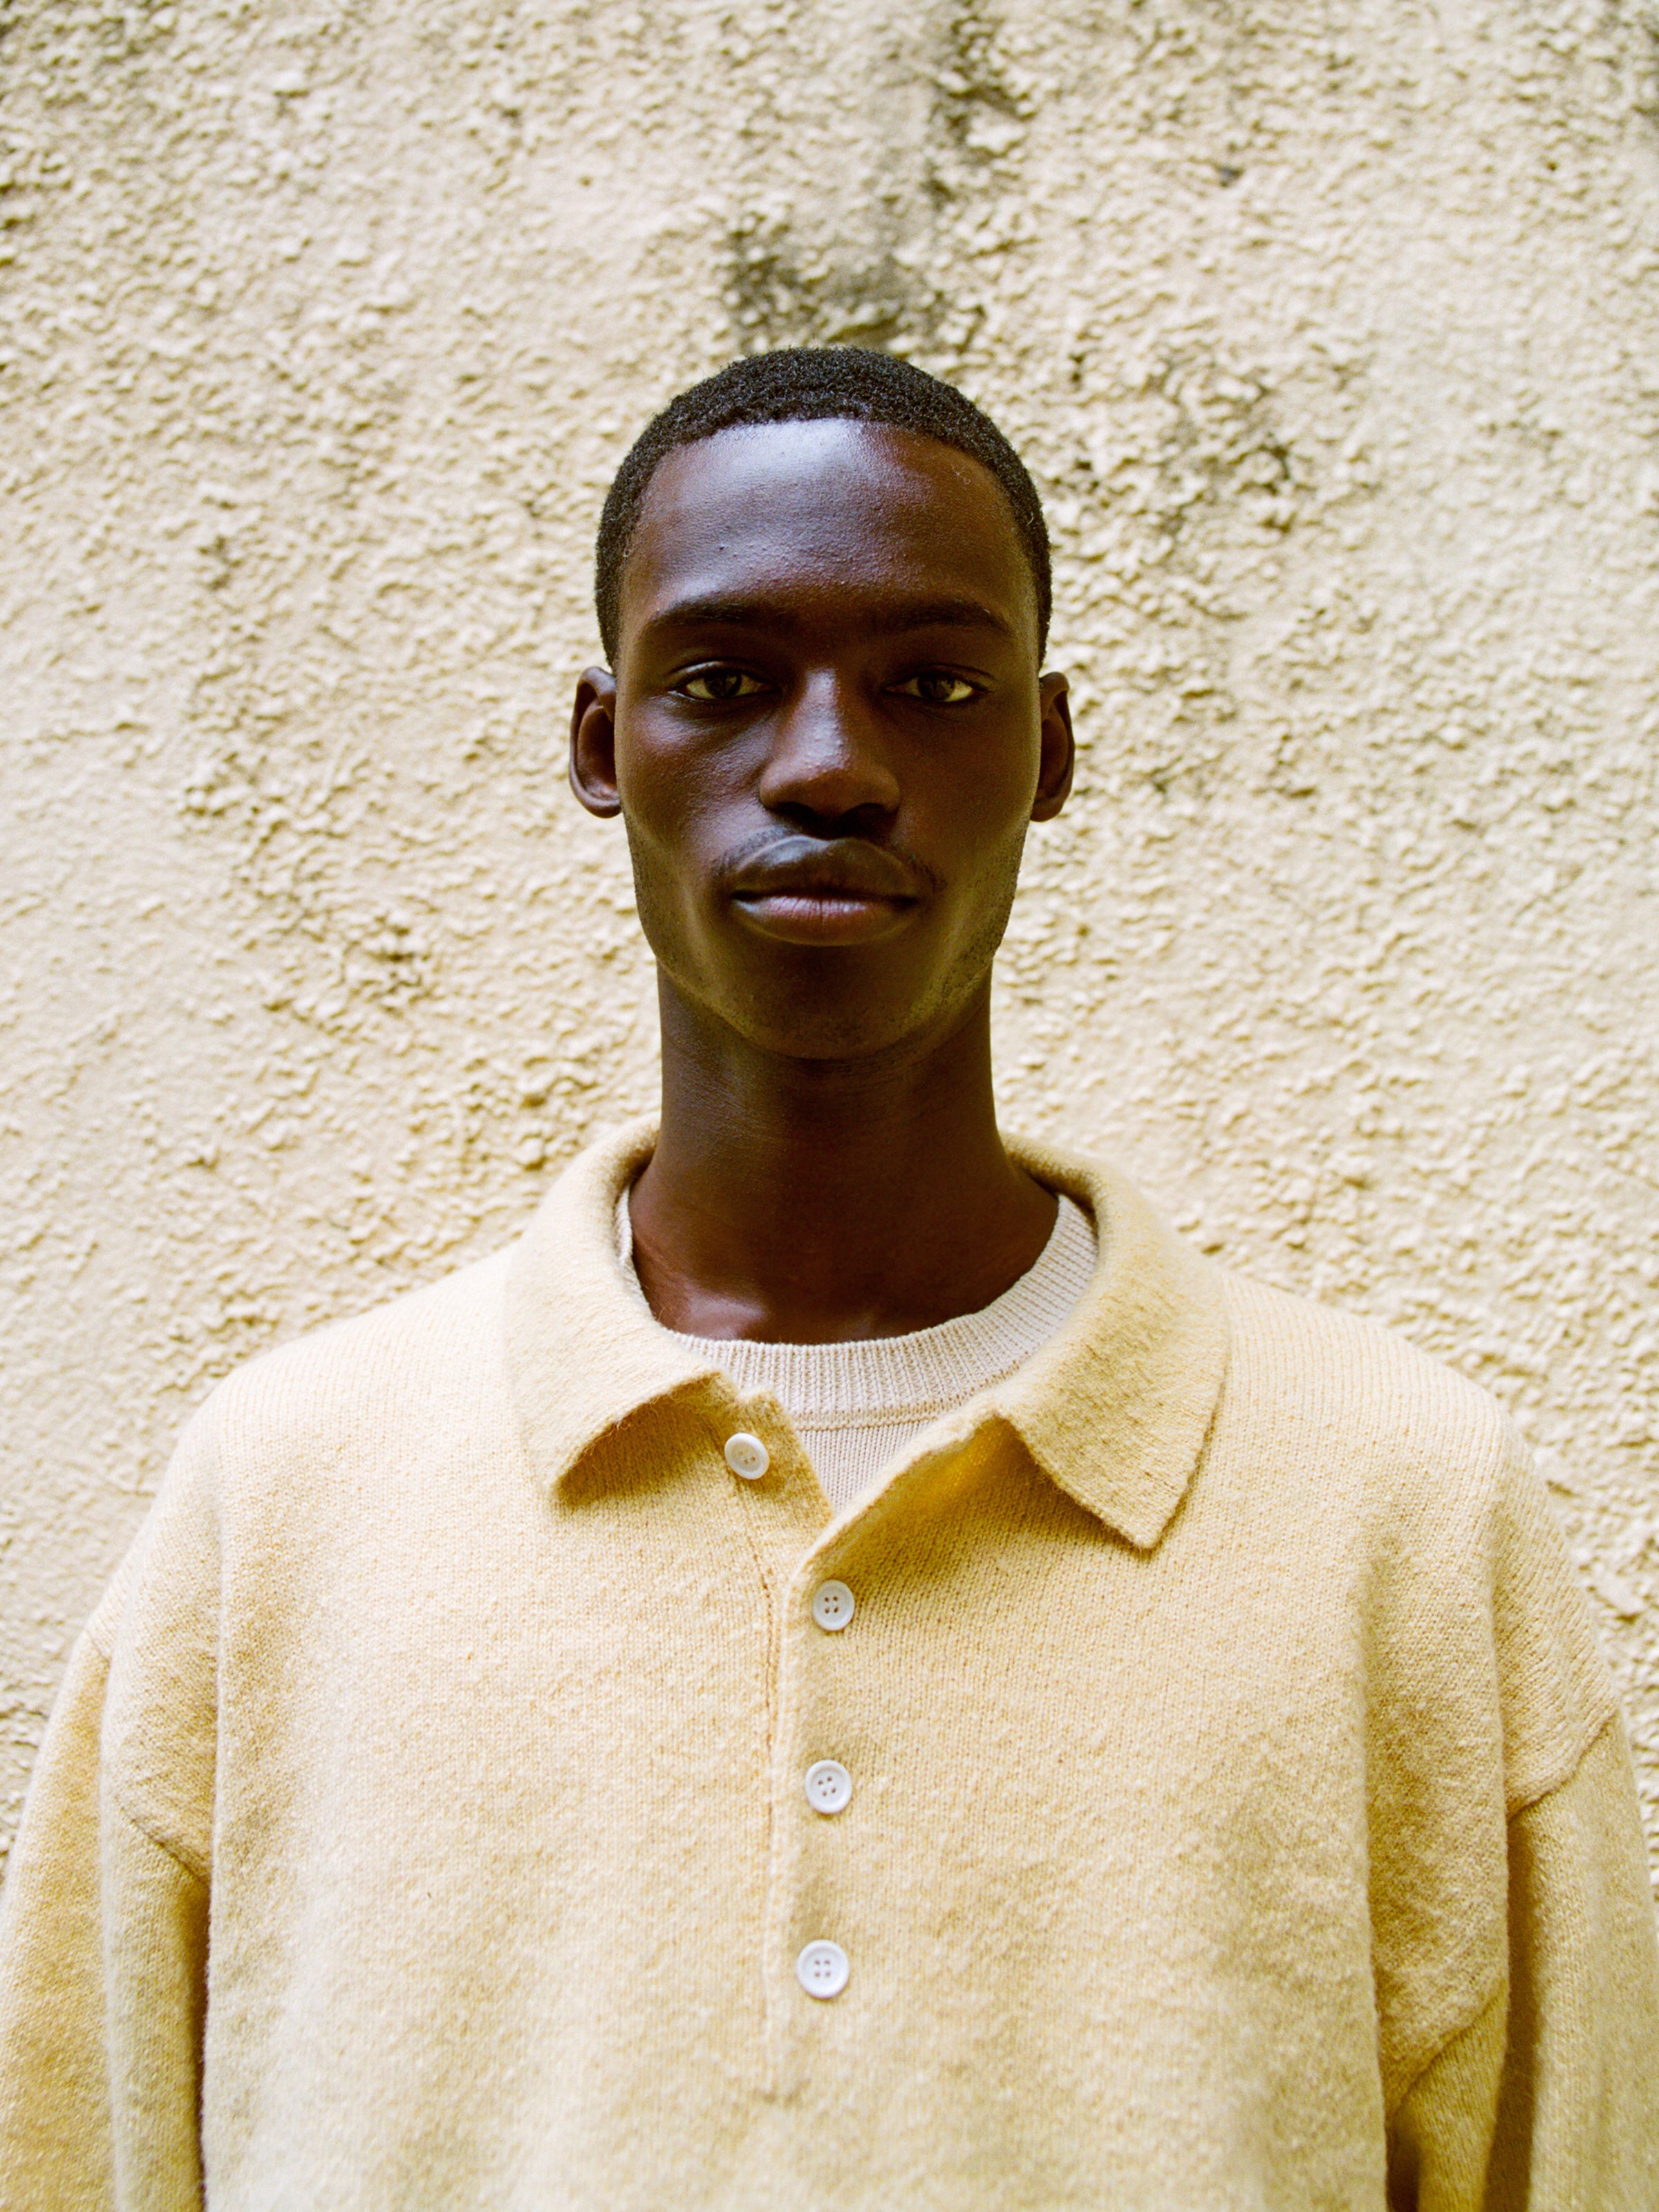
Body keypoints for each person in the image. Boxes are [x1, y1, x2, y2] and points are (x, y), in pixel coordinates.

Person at [0, 346, 1655, 2210]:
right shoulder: (283, 1500)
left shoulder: (1403, 1510)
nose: (828, 766)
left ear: (1048, 754)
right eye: (722, 681)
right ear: (601, 745)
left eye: (933, 686)